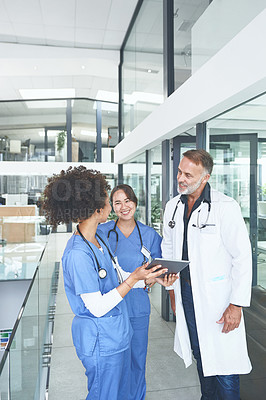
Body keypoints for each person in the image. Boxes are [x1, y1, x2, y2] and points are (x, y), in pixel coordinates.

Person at [42, 166, 168, 400]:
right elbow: (97, 306)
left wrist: (148, 278)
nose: (114, 207)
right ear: (97, 207)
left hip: (115, 334)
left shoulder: (98, 240)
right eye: (110, 202)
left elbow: (117, 277)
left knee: (119, 390)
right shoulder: (78, 254)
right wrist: (133, 279)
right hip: (99, 339)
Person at [162, 150, 252, 400]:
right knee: (200, 351)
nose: (180, 178)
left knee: (224, 361)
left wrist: (236, 304)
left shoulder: (225, 207)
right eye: (180, 171)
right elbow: (168, 249)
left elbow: (242, 258)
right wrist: (172, 290)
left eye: (188, 174)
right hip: (186, 292)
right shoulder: (172, 207)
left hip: (219, 298)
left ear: (205, 178)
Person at [98, 184, 176, 400]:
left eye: (127, 201)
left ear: (135, 202)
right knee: (113, 363)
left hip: (138, 308)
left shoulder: (149, 235)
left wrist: (166, 283)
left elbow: (160, 269)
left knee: (137, 359)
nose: (124, 207)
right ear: (112, 208)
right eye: (117, 203)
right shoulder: (102, 232)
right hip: (110, 307)